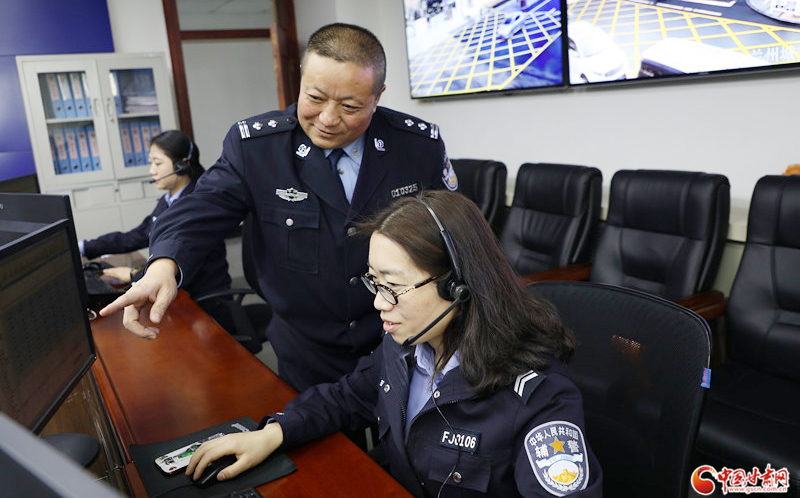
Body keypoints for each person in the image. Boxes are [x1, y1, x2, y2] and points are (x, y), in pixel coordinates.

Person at [100, 23, 458, 392]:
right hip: (306, 348)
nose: (328, 119)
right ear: (301, 79)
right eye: (315, 98)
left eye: (350, 106)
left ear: (378, 95)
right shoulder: (257, 148)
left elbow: (456, 236)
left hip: (401, 341)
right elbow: (196, 212)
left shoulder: (418, 146)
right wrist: (163, 266)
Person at [184, 190, 603, 497]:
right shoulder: (406, 345)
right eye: (374, 282)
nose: (378, 303)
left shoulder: (539, 397)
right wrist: (273, 433)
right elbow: (347, 397)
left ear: (457, 286)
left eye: (393, 287)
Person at [81, 130, 231, 300]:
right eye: (150, 163)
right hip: (178, 294)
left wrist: (134, 274)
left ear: (181, 165)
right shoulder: (168, 200)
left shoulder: (198, 204)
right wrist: (85, 247)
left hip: (202, 301)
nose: (152, 170)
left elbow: (184, 263)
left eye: (157, 163)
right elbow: (139, 235)